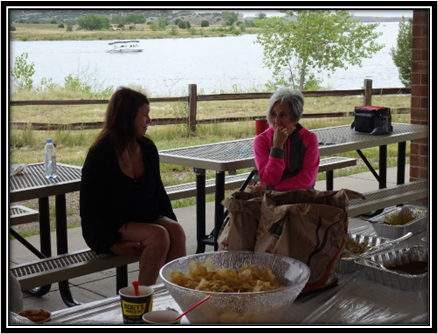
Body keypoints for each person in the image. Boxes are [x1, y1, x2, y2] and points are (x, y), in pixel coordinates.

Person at [80, 87, 186, 286]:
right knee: (159, 236)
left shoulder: (146, 148)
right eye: (144, 115)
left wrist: (170, 221)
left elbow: (159, 194)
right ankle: (142, 301)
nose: (149, 121)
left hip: (145, 217)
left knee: (176, 231)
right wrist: (113, 246)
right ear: (126, 118)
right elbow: (89, 210)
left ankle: (174, 296)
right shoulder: (101, 155)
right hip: (112, 226)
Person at [248, 88, 320, 192]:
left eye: (283, 115)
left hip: (299, 197)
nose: (276, 121)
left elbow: (306, 181)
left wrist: (270, 188)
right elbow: (269, 179)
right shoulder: (261, 141)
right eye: (273, 114)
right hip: (267, 199)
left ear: (295, 119)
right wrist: (277, 147)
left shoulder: (309, 139)